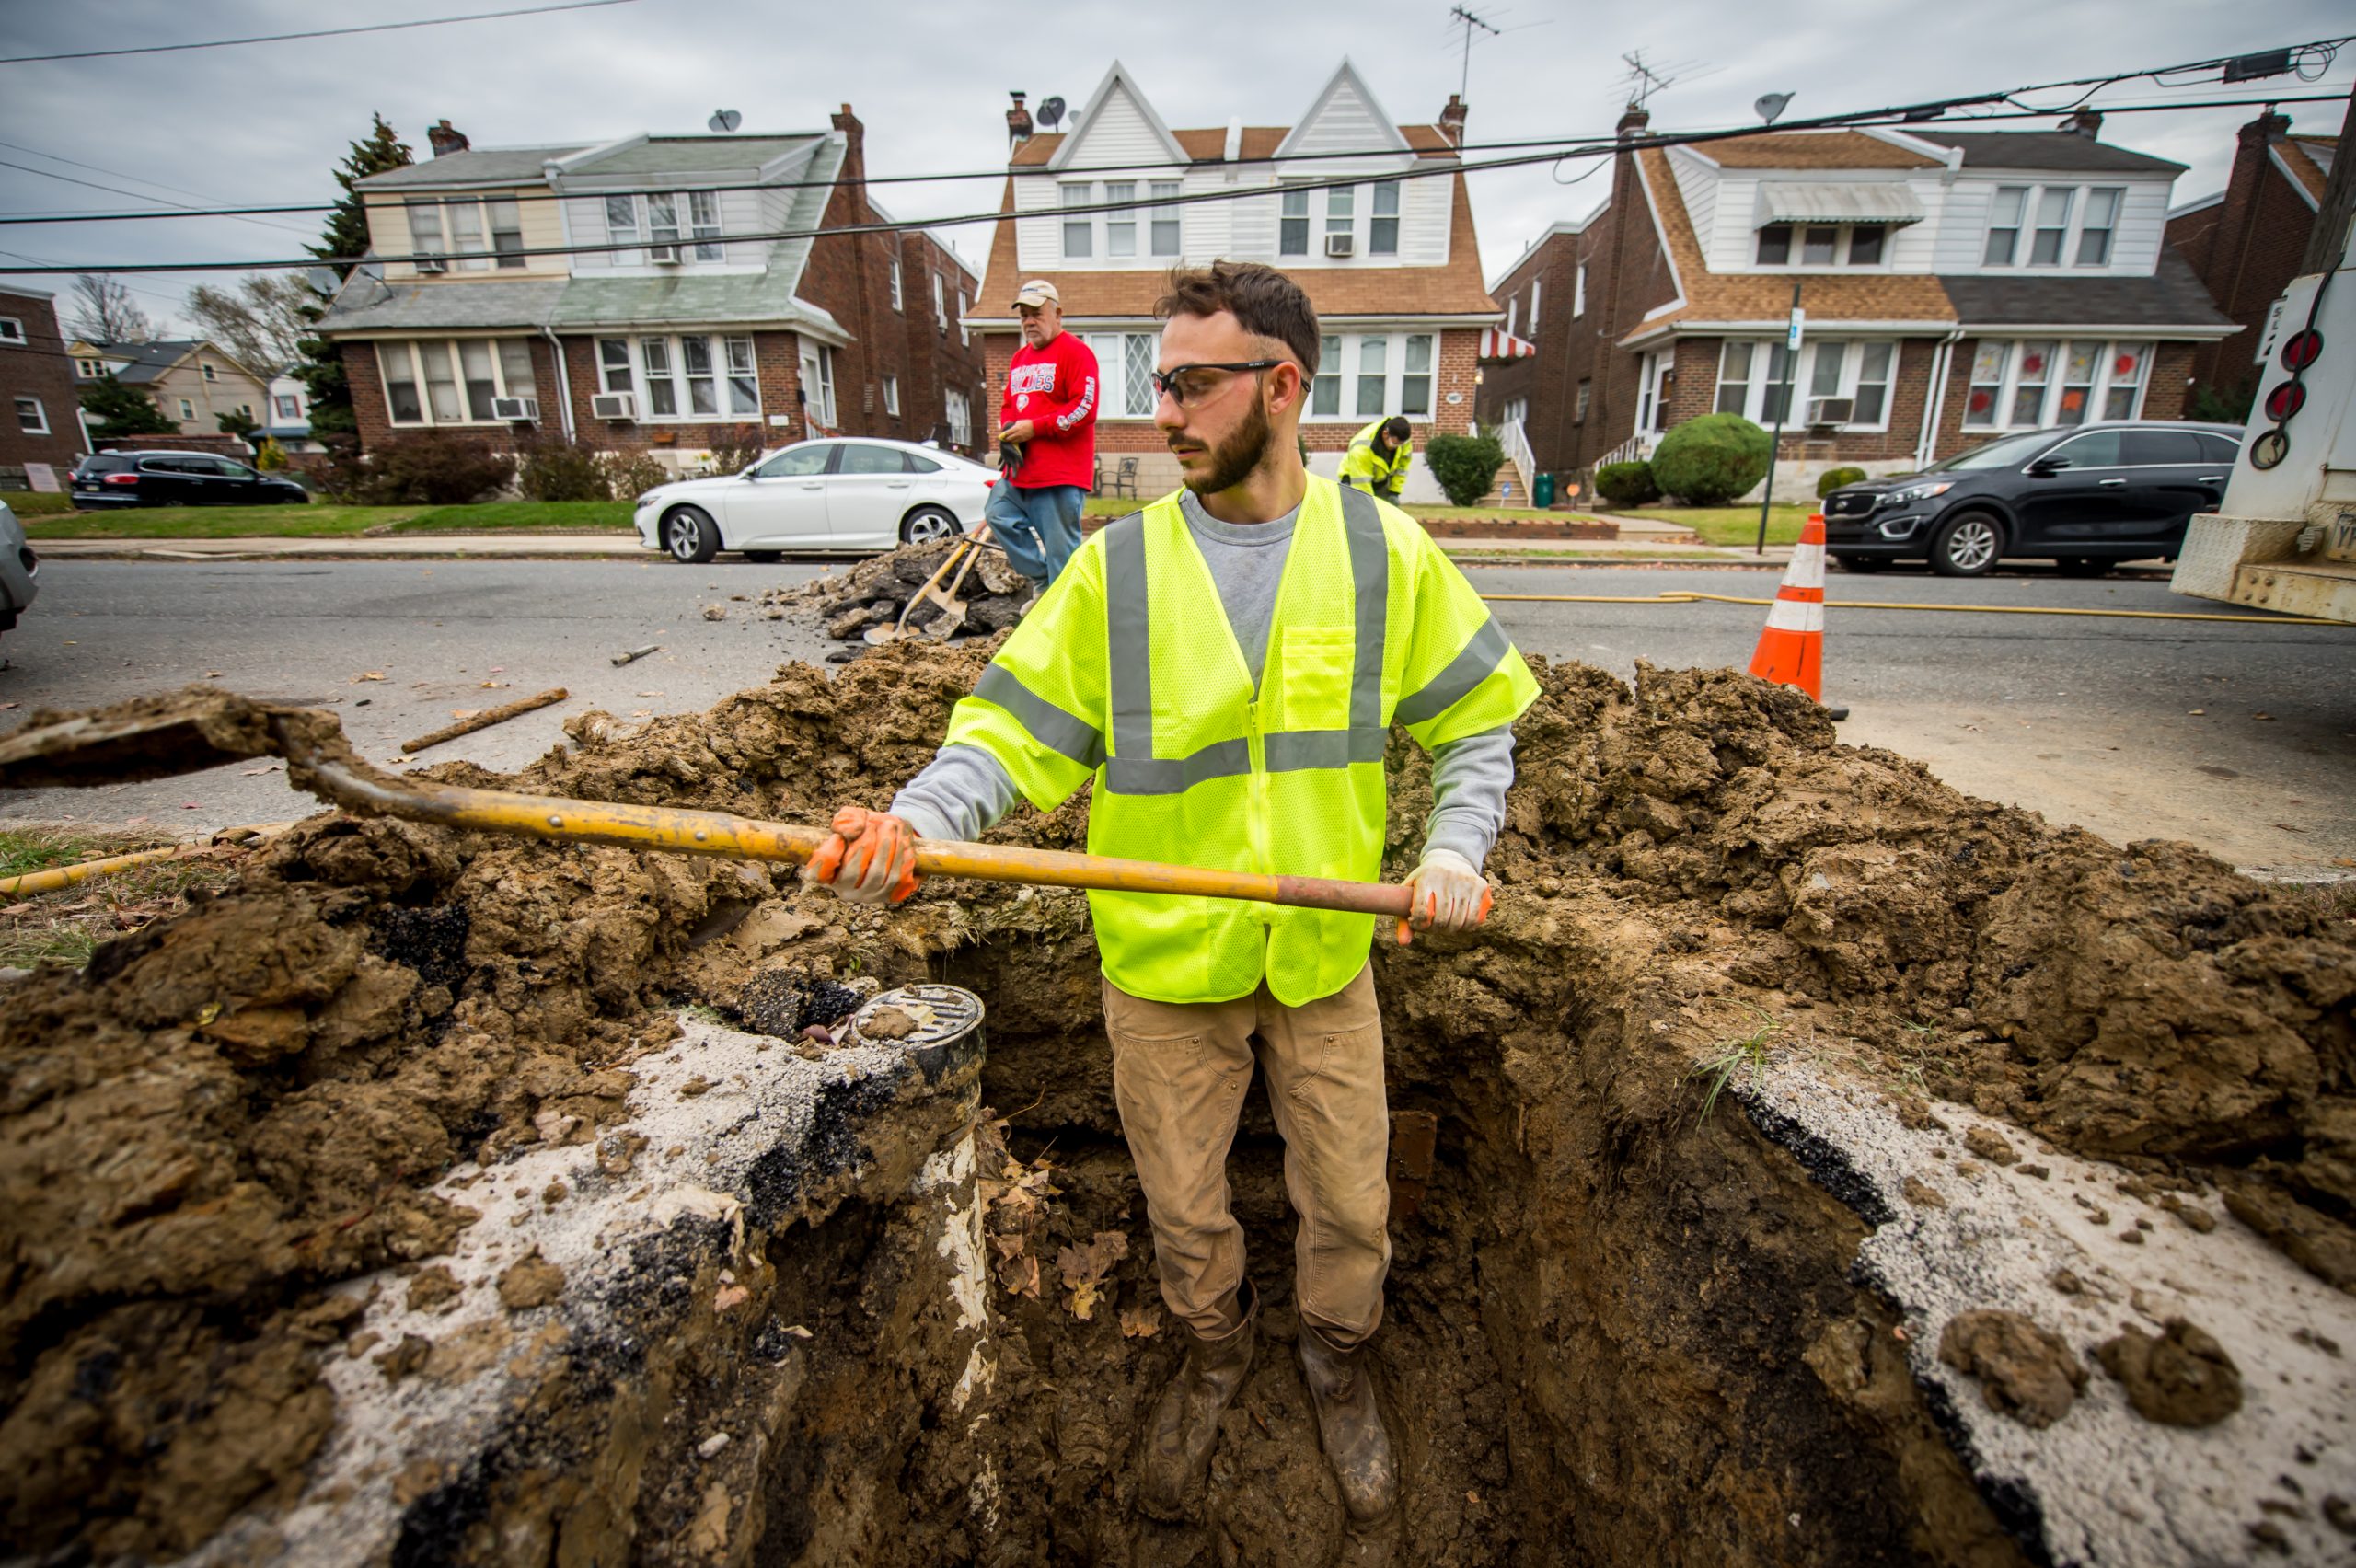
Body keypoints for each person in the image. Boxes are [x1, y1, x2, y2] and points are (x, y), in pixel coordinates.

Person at [807, 261, 1536, 1530]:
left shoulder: (1381, 551)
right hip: (1162, 967)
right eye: (1159, 386)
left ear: (1283, 385)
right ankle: (1212, 1352)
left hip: (1323, 955)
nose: (1165, 413)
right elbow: (1009, 736)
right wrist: (916, 819)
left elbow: (1479, 727)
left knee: (1353, 1200)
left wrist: (1457, 853)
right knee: (1186, 1206)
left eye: (1194, 385)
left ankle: (1336, 1356)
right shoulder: (1115, 570)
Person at [989, 279, 1098, 591]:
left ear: (1058, 314)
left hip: (1060, 476)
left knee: (1062, 558)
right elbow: (1009, 404)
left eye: (1036, 313)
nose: (1029, 322)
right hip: (1021, 470)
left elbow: (1085, 407)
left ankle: (1068, 618)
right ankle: (1041, 582)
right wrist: (1009, 432)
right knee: (998, 515)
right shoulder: (1019, 358)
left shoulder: (1077, 353)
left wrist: (1035, 427)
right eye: (1023, 315)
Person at [1338, 414, 1413, 502]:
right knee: (1360, 510)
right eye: (1395, 443)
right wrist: (1369, 505)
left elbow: (1402, 468)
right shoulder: (1362, 449)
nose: (1398, 447)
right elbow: (1362, 487)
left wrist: (1394, 492)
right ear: (1385, 434)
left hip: (1380, 481)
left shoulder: (1403, 440)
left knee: (1385, 511)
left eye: (1401, 444)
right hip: (1354, 479)